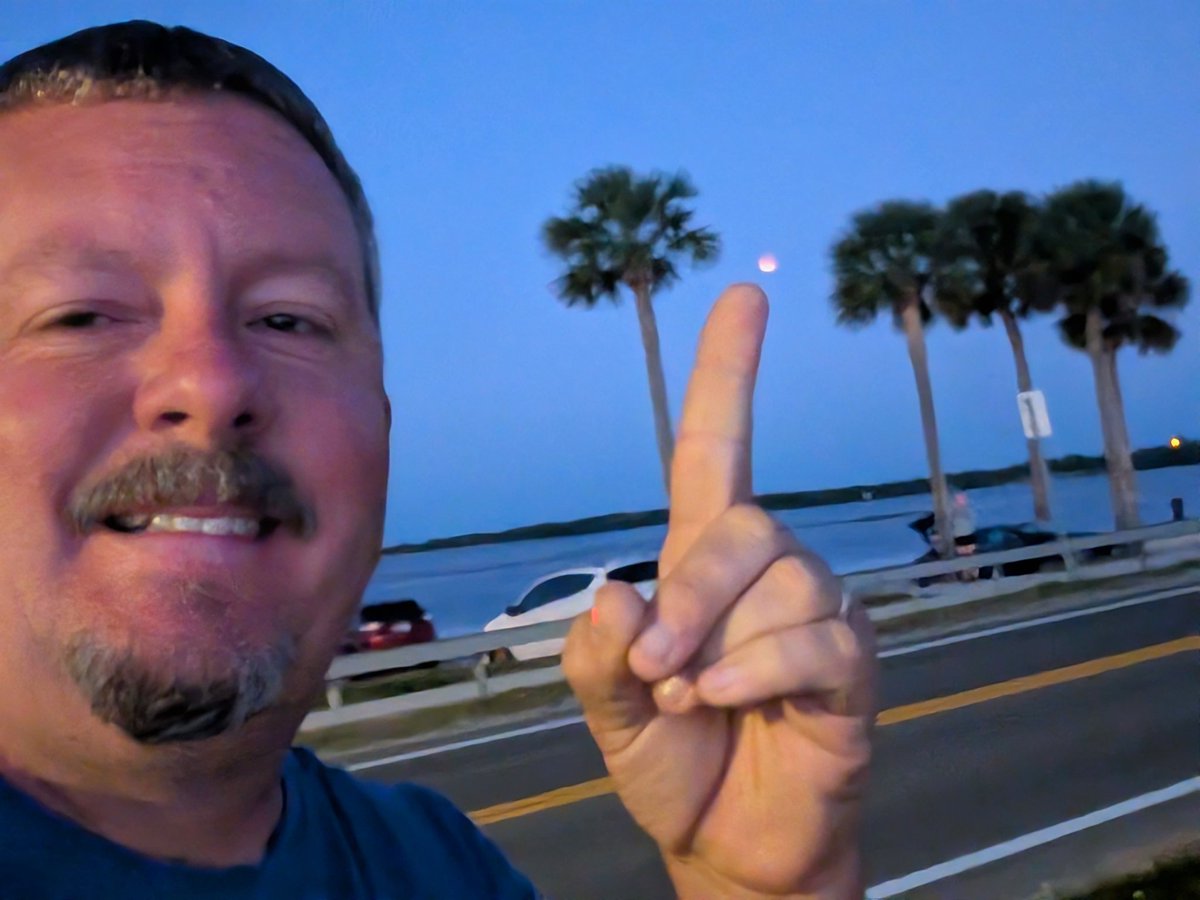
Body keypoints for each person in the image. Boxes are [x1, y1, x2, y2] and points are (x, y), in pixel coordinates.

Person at [0, 21, 876, 899]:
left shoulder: (435, 865)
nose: (212, 380)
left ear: (382, 423)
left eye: (287, 320)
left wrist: (765, 888)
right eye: (81, 315)